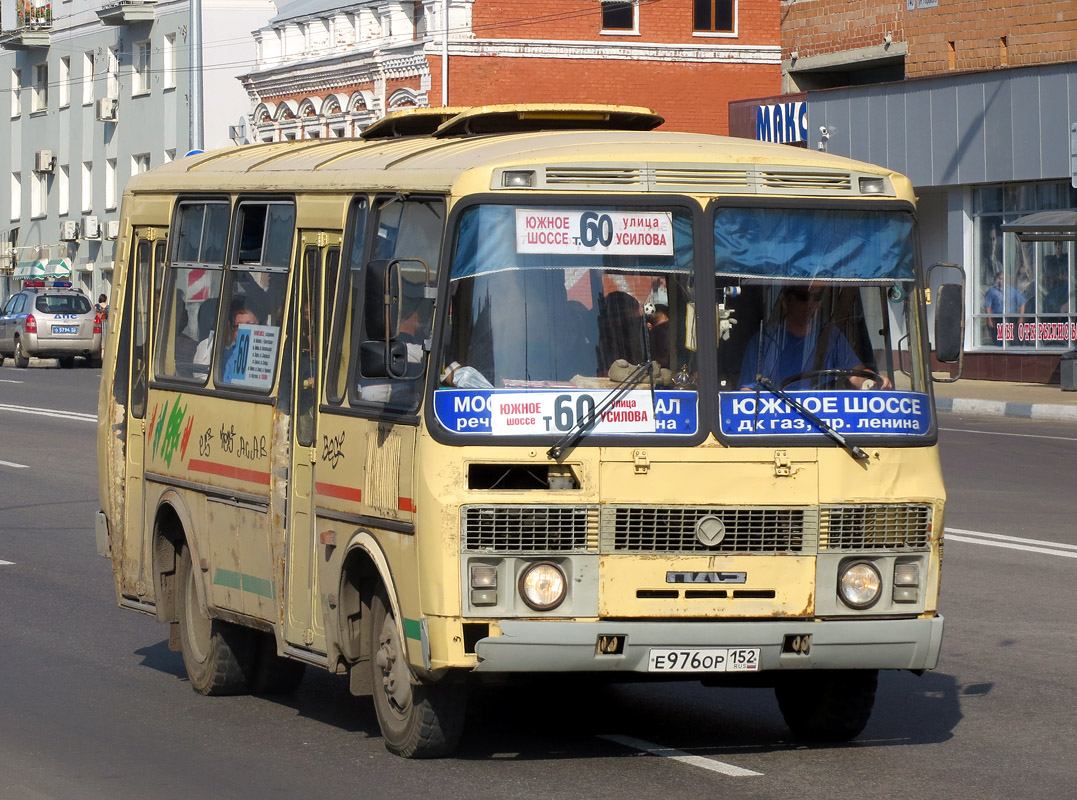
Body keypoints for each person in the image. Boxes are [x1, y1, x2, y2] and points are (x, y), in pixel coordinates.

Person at [739, 284, 891, 390]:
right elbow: (747, 391)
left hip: (821, 425)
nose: (811, 303)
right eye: (803, 297)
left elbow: (856, 374)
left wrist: (873, 381)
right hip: (776, 426)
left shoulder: (831, 337)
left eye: (817, 297)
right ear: (786, 301)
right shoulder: (763, 341)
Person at [219, 301, 259, 383]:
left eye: (250, 325)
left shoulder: (270, 356)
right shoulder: (225, 357)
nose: (243, 331)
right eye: (238, 326)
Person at [984, 269, 1025, 342]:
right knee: (998, 341)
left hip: (1010, 319)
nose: (1000, 281)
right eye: (999, 279)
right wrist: (989, 319)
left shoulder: (1012, 290)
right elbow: (988, 306)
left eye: (1002, 279)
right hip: (997, 319)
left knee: (1011, 340)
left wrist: (1021, 317)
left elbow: (1022, 302)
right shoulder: (992, 291)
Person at [1044, 242, 1070, 313]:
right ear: (1054, 246)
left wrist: (1067, 277)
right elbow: (1049, 274)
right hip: (1054, 288)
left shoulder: (1067, 258)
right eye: (1056, 245)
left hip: (1066, 288)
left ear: (1062, 246)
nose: (1058, 247)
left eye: (1060, 245)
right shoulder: (1049, 260)